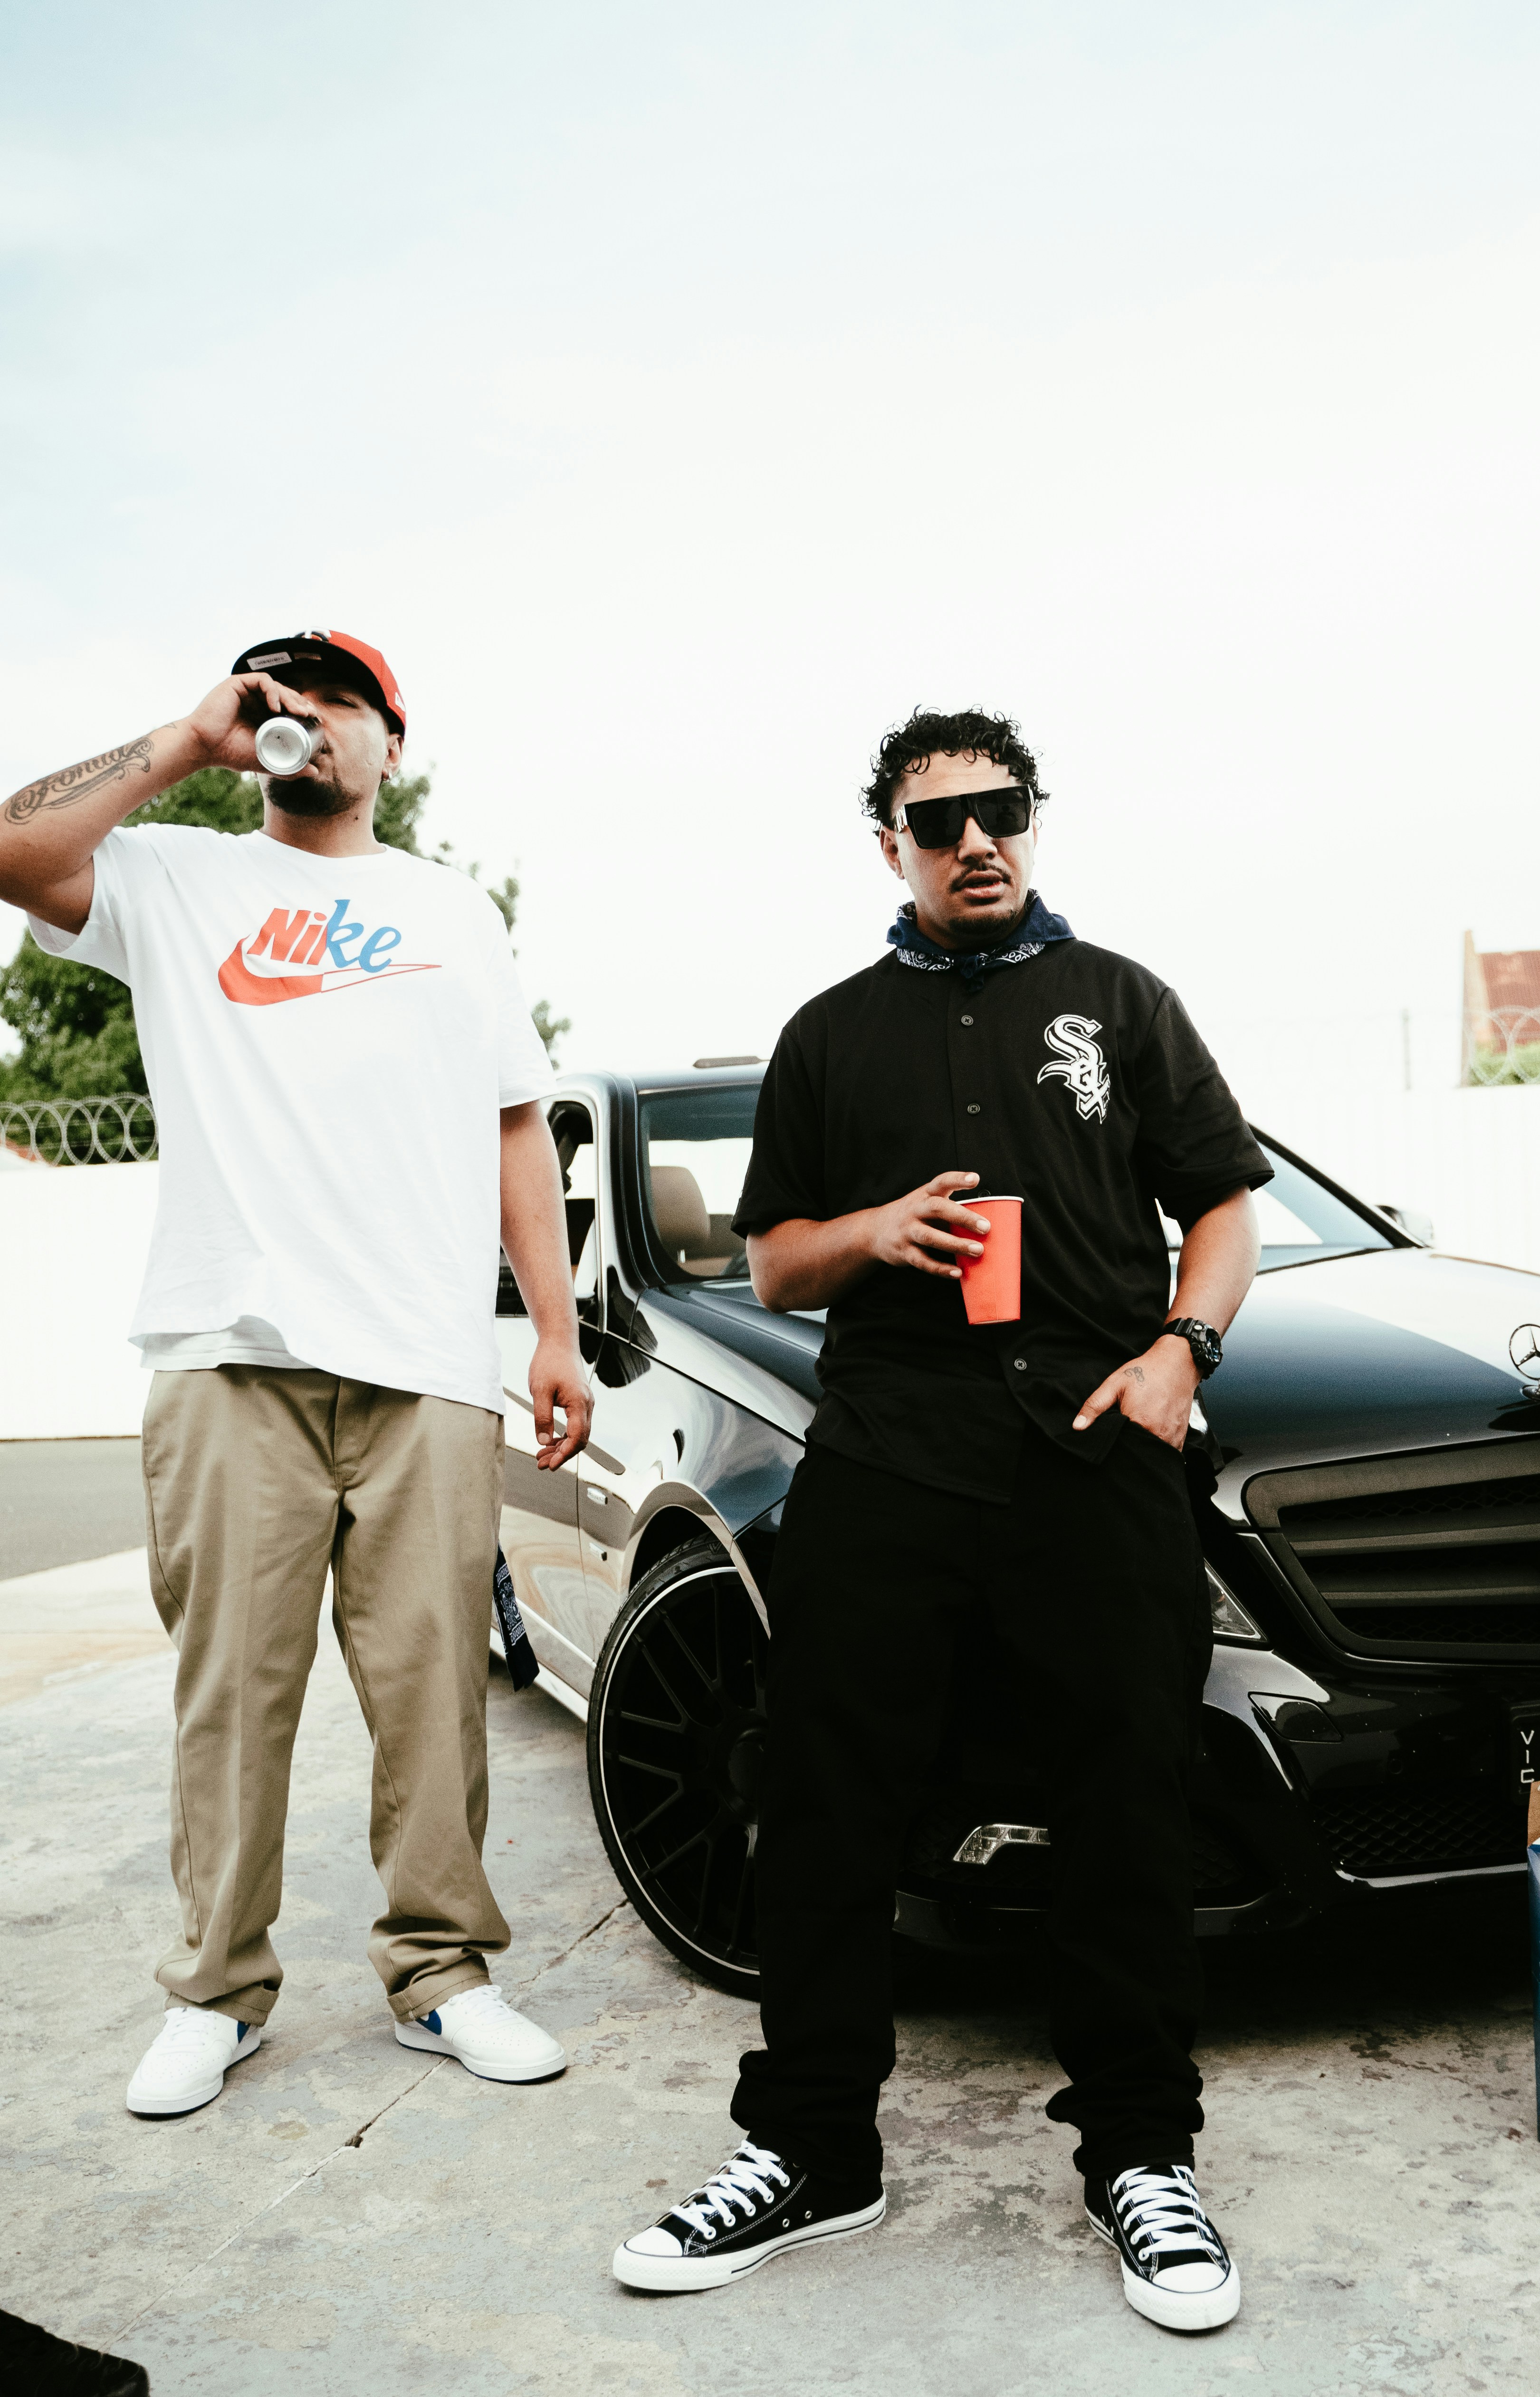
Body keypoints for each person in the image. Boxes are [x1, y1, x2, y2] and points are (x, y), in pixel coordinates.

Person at [611, 709, 1266, 2331]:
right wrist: (877, 1230)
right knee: (829, 1803)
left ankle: (1141, 2156)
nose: (978, 841)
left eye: (1003, 812)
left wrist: (1185, 1350)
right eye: (940, 820)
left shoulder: (1123, 1001)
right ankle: (817, 2148)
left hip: (1099, 1453)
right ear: (890, 844)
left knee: (1126, 1802)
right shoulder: (832, 1034)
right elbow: (773, 1267)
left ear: (1033, 821)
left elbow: (1226, 1202)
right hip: (894, 1459)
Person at [0, 631, 592, 2114]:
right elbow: (14, 849)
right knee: (230, 1696)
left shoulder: (452, 912)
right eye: (275, 695)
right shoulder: (174, 876)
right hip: (228, 1355)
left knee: (434, 1695)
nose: (301, 719)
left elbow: (518, 1123)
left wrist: (554, 1327)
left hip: (421, 1363)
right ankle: (220, 1991)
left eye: (333, 699)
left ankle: (443, 1975)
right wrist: (183, 744)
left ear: (392, 741)